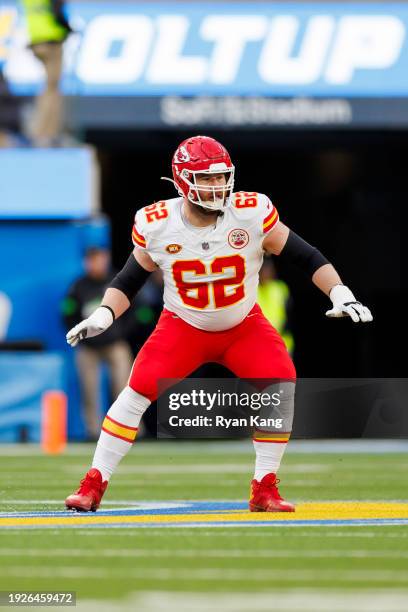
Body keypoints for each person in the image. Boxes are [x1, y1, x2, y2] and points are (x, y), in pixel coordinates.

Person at [64, 136, 372, 513]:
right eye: (205, 179)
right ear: (182, 180)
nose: (216, 187)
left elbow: (305, 256)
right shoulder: (157, 223)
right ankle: (93, 484)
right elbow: (129, 279)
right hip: (183, 326)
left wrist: (339, 291)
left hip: (243, 324)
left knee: (279, 382)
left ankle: (265, 487)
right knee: (137, 390)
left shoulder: (251, 212)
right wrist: (103, 314)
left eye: (221, 178)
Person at [62, 247, 133, 440]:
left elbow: (135, 310)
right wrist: (78, 334)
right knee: (89, 390)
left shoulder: (117, 280)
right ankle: (93, 431)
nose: (96, 264)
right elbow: (67, 312)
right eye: (92, 260)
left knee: (126, 389)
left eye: (99, 259)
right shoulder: (78, 286)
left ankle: (130, 430)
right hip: (89, 347)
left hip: (115, 343)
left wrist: (121, 333)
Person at [21, 0, 72, 146]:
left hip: (36, 41)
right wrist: (68, 29)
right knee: (53, 90)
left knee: (47, 88)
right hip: (52, 42)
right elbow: (58, 13)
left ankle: (39, 131)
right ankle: (46, 133)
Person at [257, 259, 294, 354]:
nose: (266, 274)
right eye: (263, 271)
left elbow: (289, 315)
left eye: (269, 270)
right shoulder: (252, 290)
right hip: (260, 343)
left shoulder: (281, 288)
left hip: (282, 341)